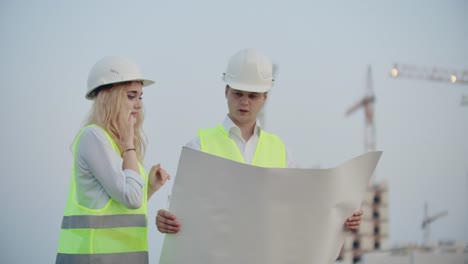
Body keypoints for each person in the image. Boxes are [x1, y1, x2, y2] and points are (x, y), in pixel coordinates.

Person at [155, 48, 363, 234]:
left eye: (253, 95)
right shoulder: (199, 146)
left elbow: (301, 205)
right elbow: (179, 207)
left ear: (265, 97)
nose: (245, 101)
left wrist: (341, 219)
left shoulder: (280, 151)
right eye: (238, 93)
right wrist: (165, 220)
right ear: (226, 91)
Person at [56, 56, 170, 264]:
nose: (138, 105)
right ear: (110, 97)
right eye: (131, 96)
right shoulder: (94, 137)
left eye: (140, 97)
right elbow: (131, 198)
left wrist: (150, 189)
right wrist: (129, 145)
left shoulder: (116, 143)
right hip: (94, 258)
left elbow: (123, 204)